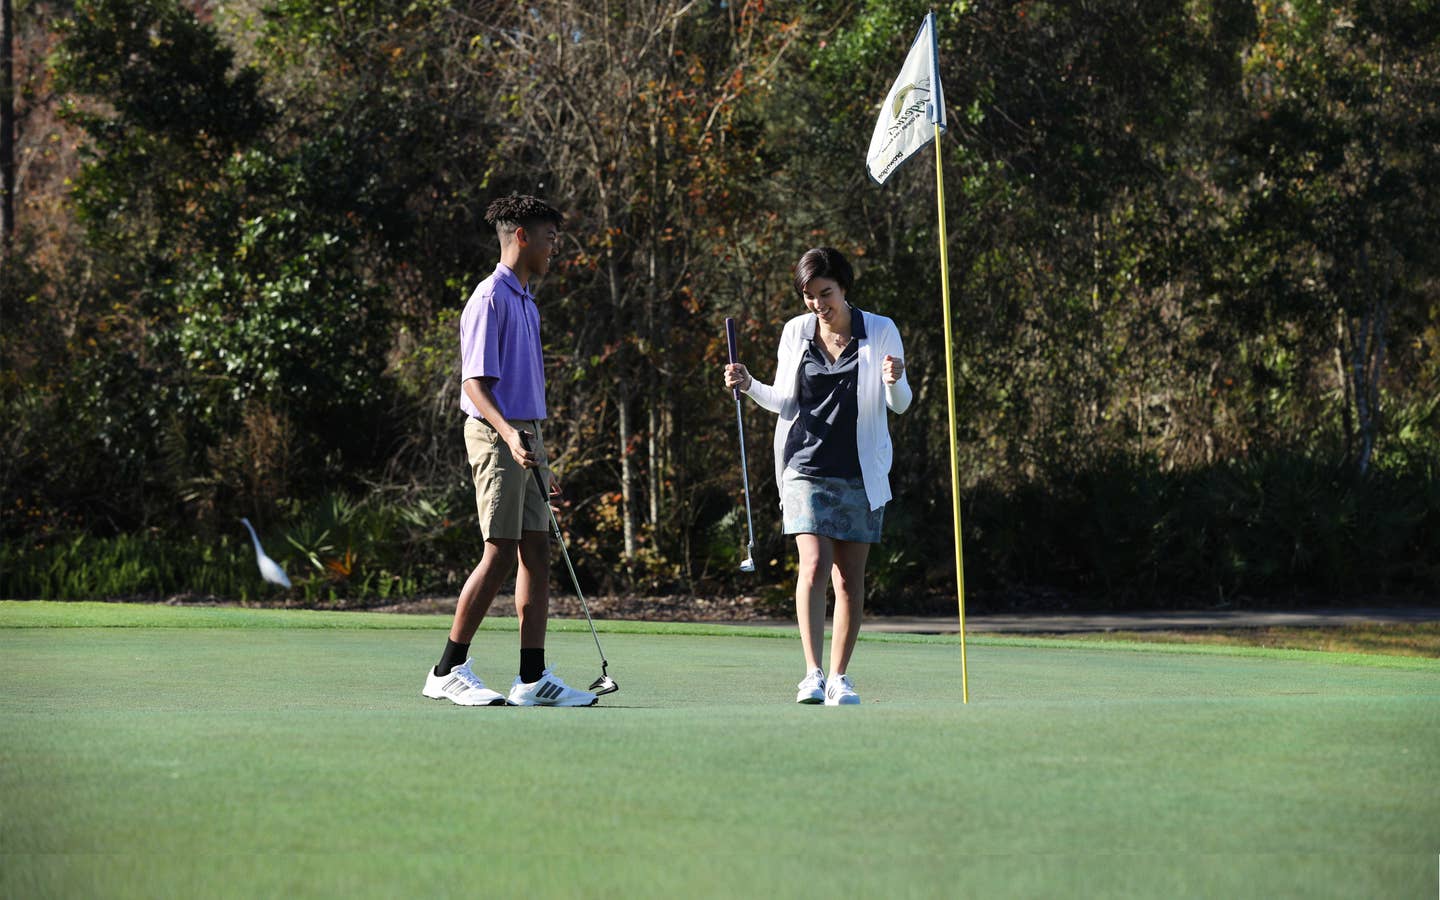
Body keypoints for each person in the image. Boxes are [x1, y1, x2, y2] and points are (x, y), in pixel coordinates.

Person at [422, 195, 598, 708]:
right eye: (549, 238)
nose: (554, 248)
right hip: (494, 431)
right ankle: (446, 669)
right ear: (520, 236)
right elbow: (475, 384)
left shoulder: (527, 300)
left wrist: (539, 451)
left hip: (526, 435)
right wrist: (510, 434)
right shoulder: (489, 298)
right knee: (499, 552)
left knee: (537, 554)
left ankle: (531, 677)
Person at [724, 247, 912, 706]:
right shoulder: (796, 331)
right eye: (809, 296)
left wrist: (894, 379)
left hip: (861, 472)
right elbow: (784, 401)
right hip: (803, 467)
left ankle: (839, 677)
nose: (817, 304)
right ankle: (811, 673)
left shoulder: (881, 329)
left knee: (849, 580)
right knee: (813, 565)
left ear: (844, 287)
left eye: (824, 293)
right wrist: (748, 384)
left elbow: (900, 404)